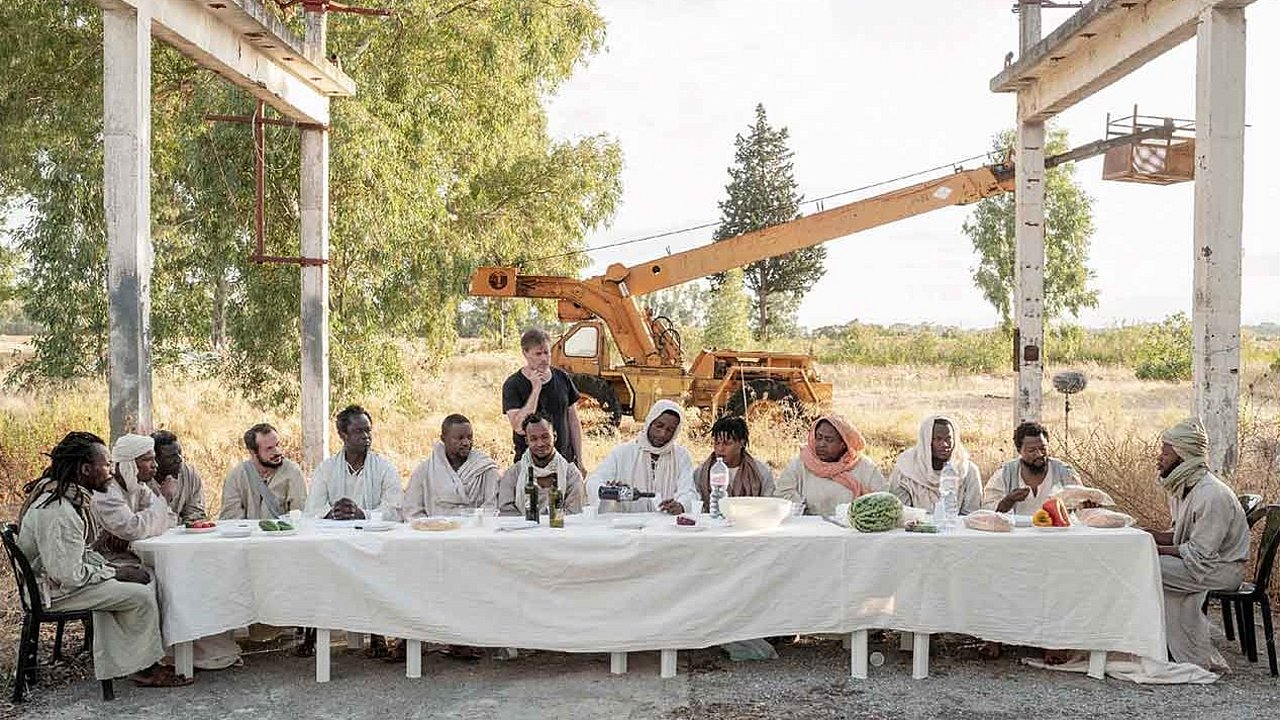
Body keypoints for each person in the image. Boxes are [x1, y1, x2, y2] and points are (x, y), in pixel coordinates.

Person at [16, 432, 191, 687]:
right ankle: (143, 669)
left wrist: (107, 568)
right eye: (106, 464)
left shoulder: (69, 498)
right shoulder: (59, 511)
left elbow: (76, 556)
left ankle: (135, 661)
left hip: (59, 582)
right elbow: (67, 574)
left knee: (139, 580)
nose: (110, 471)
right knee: (138, 594)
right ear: (86, 469)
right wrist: (115, 573)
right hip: (52, 592)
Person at [92, 434, 242, 671]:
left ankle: (197, 648)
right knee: (160, 581)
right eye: (148, 460)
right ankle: (145, 662)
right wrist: (164, 500)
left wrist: (147, 520)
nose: (154, 465)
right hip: (106, 561)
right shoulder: (108, 493)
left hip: (131, 553)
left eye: (154, 459)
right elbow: (135, 527)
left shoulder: (138, 488)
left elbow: (167, 521)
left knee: (190, 575)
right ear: (131, 464)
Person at [1147, 417, 1249, 672]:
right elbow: (1181, 536)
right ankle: (1159, 644)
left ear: (1184, 456)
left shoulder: (1211, 495)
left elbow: (1200, 553)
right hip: (1201, 565)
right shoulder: (1186, 488)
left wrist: (1153, 549)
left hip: (1221, 571)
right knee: (1142, 563)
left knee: (1143, 568)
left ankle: (1179, 651)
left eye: (1166, 453)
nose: (1159, 458)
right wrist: (1148, 535)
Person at [586, 399, 699, 515]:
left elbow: (689, 491)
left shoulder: (681, 456)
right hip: (628, 526)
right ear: (650, 422)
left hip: (667, 526)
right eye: (659, 426)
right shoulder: (623, 453)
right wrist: (609, 491)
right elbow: (594, 482)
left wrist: (681, 505)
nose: (663, 434)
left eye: (670, 430)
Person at [502, 328, 584, 473]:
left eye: (547, 352)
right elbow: (519, 427)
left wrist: (579, 459)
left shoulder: (562, 378)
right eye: (538, 354)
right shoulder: (513, 384)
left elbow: (573, 420)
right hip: (529, 467)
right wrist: (536, 389)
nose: (544, 358)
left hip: (564, 462)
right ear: (525, 353)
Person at [304, 404, 402, 521]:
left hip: (373, 536)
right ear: (343, 435)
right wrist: (334, 514)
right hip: (333, 535)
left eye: (368, 431)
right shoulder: (325, 469)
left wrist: (363, 515)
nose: (366, 437)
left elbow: (395, 510)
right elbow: (313, 509)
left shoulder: (385, 469)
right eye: (358, 431)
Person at [775, 414, 884, 517]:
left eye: (829, 440)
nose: (821, 444)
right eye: (819, 437)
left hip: (852, 531)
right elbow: (782, 494)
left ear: (843, 444)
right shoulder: (801, 463)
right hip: (808, 528)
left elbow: (882, 501)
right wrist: (803, 510)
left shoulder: (865, 468)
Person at [404, 414, 501, 519]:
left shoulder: (486, 469)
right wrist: (431, 527)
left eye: (469, 437)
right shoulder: (425, 471)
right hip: (435, 532)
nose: (466, 443)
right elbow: (412, 510)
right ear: (443, 439)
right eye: (459, 438)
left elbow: (492, 507)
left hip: (475, 531)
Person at [982, 421, 1083, 514]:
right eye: (1031, 450)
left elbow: (1081, 505)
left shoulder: (1064, 472)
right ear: (1019, 450)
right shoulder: (1005, 473)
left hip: (1056, 530)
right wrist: (1009, 500)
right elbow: (987, 510)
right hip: (1016, 531)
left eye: (1043, 449)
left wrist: (1086, 504)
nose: (1039, 454)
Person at [887, 415, 982, 514]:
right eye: (938, 439)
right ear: (926, 441)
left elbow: (971, 514)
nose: (945, 445)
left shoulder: (967, 471)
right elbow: (901, 513)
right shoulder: (906, 470)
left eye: (948, 439)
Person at [498, 413, 585, 516]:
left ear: (555, 436)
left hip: (560, 531)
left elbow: (573, 514)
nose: (540, 444)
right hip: (521, 531)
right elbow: (507, 513)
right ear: (527, 441)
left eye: (545, 437)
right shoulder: (513, 474)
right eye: (534, 439)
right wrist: (529, 526)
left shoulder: (571, 475)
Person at [219, 423, 308, 520]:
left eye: (277, 445)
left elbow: (300, 515)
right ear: (253, 452)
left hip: (282, 533)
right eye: (269, 448)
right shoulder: (236, 477)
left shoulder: (293, 472)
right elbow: (231, 520)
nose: (277, 452)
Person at [694, 415, 775, 512]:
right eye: (717, 443)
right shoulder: (701, 473)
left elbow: (769, 506)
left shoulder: (761, 472)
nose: (720, 449)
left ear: (742, 443)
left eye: (727, 443)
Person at [150, 430, 207, 524]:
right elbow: (147, 521)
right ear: (155, 460)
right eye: (171, 457)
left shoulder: (189, 474)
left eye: (179, 453)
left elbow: (195, 514)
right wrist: (164, 497)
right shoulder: (142, 480)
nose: (179, 459)